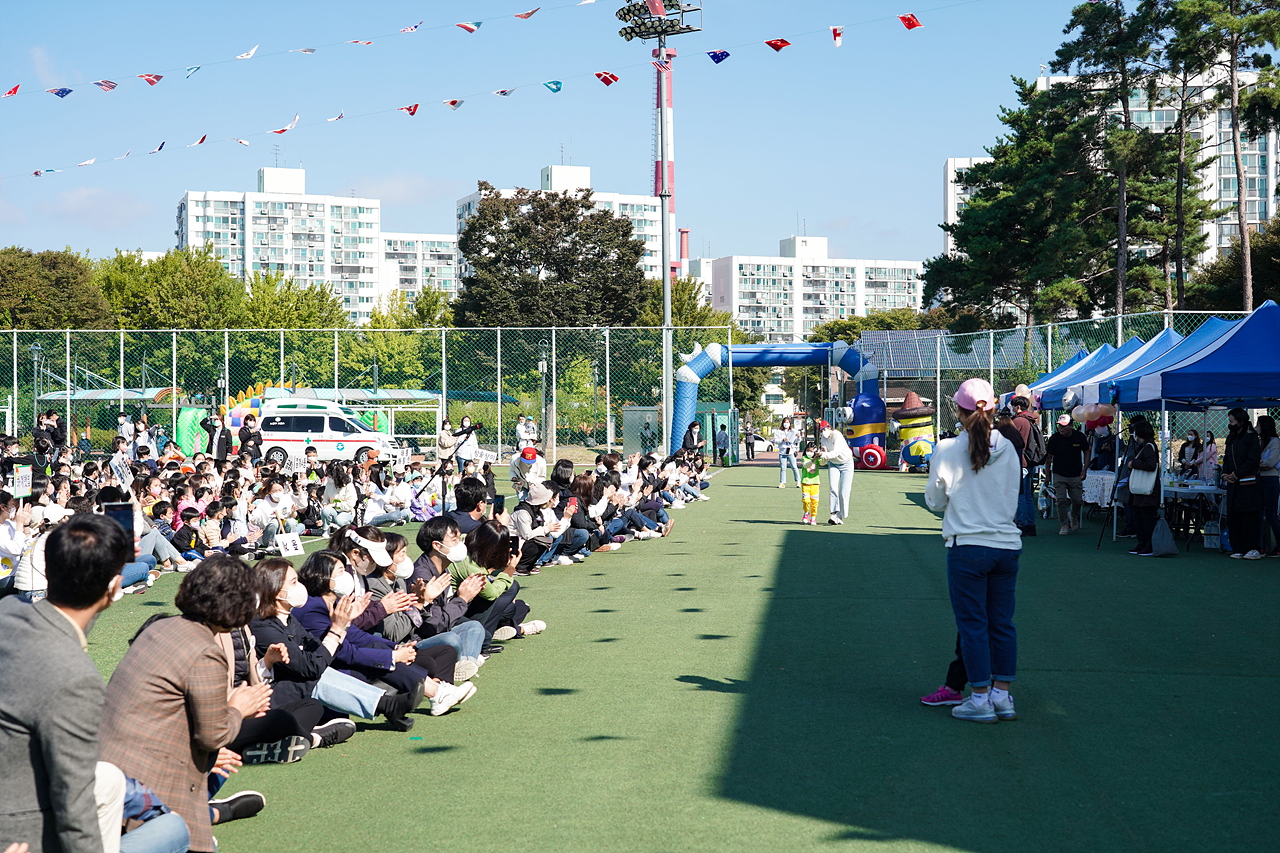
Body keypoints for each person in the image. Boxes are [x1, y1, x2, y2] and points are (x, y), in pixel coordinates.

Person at [99, 555, 271, 852]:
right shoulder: (205, 650)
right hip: (147, 784)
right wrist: (239, 708)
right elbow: (213, 734)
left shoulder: (161, 627)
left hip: (111, 768)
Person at [0, 515, 131, 853]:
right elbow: (75, 804)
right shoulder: (75, 677)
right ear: (114, 588)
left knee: (112, 781)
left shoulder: (8, 611)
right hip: (16, 829)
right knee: (172, 832)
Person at [924, 378, 1021, 724]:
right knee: (1001, 624)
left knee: (973, 626)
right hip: (1006, 545)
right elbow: (1013, 494)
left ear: (959, 410)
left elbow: (935, 501)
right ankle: (1001, 695)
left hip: (967, 546)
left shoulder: (947, 449)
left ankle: (978, 697)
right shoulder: (1007, 447)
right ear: (993, 407)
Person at [1223, 408, 1263, 560]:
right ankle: (1237, 547)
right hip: (1233, 484)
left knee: (1249, 517)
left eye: (1232, 421)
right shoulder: (1231, 438)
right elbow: (1226, 458)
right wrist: (1225, 474)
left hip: (1249, 484)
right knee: (1234, 516)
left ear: (1240, 421)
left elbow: (1253, 460)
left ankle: (1252, 548)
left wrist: (1236, 474)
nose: (1230, 424)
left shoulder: (1251, 437)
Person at [1045, 414, 1090, 536]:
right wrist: (1047, 475)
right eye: (1059, 426)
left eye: (1064, 426)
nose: (1061, 429)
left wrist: (1085, 469)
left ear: (1071, 426)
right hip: (1059, 473)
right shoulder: (1054, 439)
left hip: (1075, 474)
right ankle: (1064, 524)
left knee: (1078, 500)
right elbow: (1049, 458)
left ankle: (1073, 515)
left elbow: (1087, 452)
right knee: (1061, 500)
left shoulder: (1079, 437)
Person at [1124, 419, 1161, 556]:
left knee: (1146, 519)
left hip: (1147, 491)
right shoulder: (1144, 446)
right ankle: (1141, 543)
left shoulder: (1149, 446)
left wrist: (1134, 463)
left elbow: (1151, 465)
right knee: (1138, 518)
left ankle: (1149, 545)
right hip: (1140, 491)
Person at [1009, 397, 1040, 536]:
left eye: (1013, 406)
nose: (1012, 409)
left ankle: (1020, 524)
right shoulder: (1030, 419)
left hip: (1020, 461)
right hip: (1029, 461)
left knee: (1019, 494)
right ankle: (1030, 524)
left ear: (1018, 407)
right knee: (1027, 495)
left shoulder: (1018, 421)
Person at [819, 419, 855, 525]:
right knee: (832, 488)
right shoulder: (823, 438)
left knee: (844, 492)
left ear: (830, 428)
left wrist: (823, 454)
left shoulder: (837, 435)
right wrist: (823, 454)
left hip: (846, 463)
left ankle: (841, 515)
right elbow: (825, 458)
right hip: (833, 464)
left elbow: (836, 452)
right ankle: (833, 513)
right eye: (821, 430)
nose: (823, 432)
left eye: (825, 429)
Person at [1258, 416, 1280, 557]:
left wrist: (1259, 463)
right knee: (1259, 514)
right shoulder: (1261, 442)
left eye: (1258, 425)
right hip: (1260, 479)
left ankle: (1278, 545)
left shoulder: (1275, 442)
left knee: (1272, 515)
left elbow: (1271, 462)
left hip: (1271, 480)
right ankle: (1261, 546)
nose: (1256, 428)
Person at [774, 416, 800, 488]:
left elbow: (797, 441)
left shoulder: (793, 431)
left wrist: (798, 437)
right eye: (785, 422)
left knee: (794, 467)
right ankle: (782, 482)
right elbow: (775, 441)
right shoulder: (779, 432)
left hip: (791, 451)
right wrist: (782, 440)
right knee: (783, 468)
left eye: (788, 422)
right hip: (782, 451)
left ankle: (798, 481)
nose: (786, 424)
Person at [798, 442, 821, 526]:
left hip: (815, 482)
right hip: (806, 482)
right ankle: (806, 513)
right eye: (808, 450)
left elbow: (823, 462)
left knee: (814, 502)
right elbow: (806, 465)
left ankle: (813, 517)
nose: (809, 452)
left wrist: (823, 454)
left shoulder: (818, 459)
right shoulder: (804, 458)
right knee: (806, 501)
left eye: (811, 451)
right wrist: (812, 460)